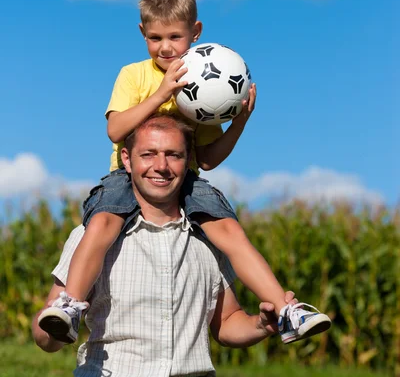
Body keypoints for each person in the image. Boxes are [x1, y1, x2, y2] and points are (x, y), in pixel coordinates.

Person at [38, 0, 330, 346]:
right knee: (101, 223)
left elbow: (207, 159)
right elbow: (115, 130)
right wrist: (162, 94)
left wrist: (239, 123)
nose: (165, 47)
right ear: (142, 33)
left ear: (196, 33)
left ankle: (287, 310)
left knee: (230, 232)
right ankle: (70, 306)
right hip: (125, 178)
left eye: (175, 36)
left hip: (185, 178)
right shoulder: (134, 75)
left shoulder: (206, 81)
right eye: (155, 37)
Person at [33, 114, 298, 376]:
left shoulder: (210, 238)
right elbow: (46, 335)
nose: (161, 166)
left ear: (188, 160)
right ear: (126, 159)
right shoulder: (91, 236)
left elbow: (226, 323)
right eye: (148, 154)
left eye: (173, 154)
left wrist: (261, 326)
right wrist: (52, 329)